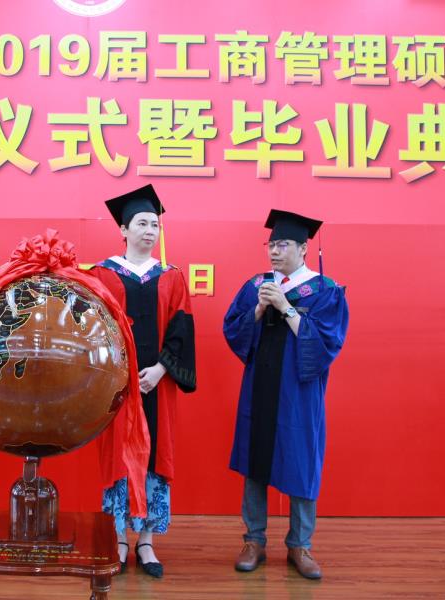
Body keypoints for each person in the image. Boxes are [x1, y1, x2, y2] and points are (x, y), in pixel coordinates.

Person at [223, 209, 349, 580]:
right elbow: (233, 329)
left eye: (283, 245)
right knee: (255, 459)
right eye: (271, 244)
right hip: (259, 387)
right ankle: (254, 540)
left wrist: (285, 306)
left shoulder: (325, 290)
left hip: (298, 392)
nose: (275, 251)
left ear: (303, 248)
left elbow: (325, 344)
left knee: (302, 460)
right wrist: (260, 308)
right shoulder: (255, 285)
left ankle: (300, 544)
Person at [92, 184, 197, 579]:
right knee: (119, 455)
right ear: (123, 229)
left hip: (158, 384)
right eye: (141, 223)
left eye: (155, 224)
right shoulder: (103, 274)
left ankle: (147, 540)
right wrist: (118, 372)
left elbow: (181, 332)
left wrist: (161, 369)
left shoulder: (172, 277)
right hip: (117, 387)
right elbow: (93, 330)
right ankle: (120, 538)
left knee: (155, 453)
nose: (150, 230)